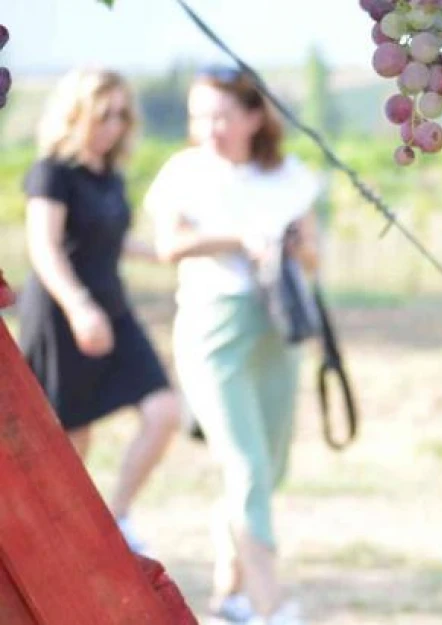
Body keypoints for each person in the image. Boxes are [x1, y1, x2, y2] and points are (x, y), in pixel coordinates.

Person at [144, 66, 321, 625]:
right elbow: (169, 245)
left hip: (276, 329)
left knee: (268, 468)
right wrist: (242, 240)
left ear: (252, 116)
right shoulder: (185, 172)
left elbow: (315, 256)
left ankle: (230, 597)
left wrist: (290, 245)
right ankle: (271, 604)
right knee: (244, 466)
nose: (209, 127)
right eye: (200, 115)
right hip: (212, 329)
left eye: (221, 115)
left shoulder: (288, 175)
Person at [18, 67, 181, 555]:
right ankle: (54, 541)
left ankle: (116, 519)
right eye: (103, 114)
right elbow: (44, 249)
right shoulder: (52, 172)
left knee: (164, 409)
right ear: (76, 114)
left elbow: (107, 240)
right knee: (71, 441)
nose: (113, 125)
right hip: (64, 311)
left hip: (113, 307)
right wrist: (79, 307)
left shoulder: (108, 175)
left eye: (121, 115)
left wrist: (167, 251)